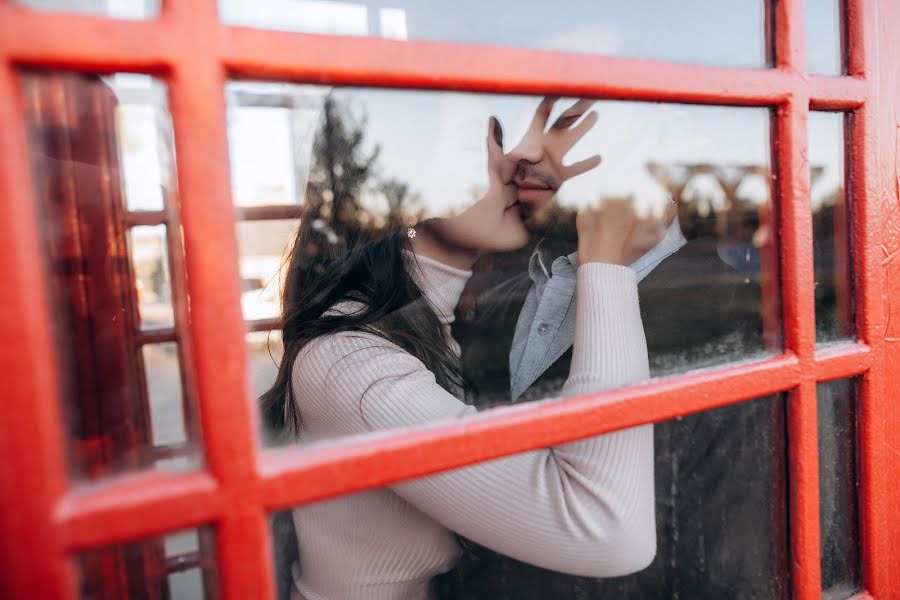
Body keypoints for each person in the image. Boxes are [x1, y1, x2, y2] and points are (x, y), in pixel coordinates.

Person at [260, 99, 673, 599]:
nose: (515, 160)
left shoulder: (445, 318)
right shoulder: (347, 358)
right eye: (478, 145)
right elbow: (607, 532)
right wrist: (607, 264)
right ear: (406, 189)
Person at [443, 98, 777, 599]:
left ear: (659, 141)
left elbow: (731, 571)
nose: (522, 150)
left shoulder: (741, 328)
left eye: (566, 122)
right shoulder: (499, 291)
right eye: (516, 123)